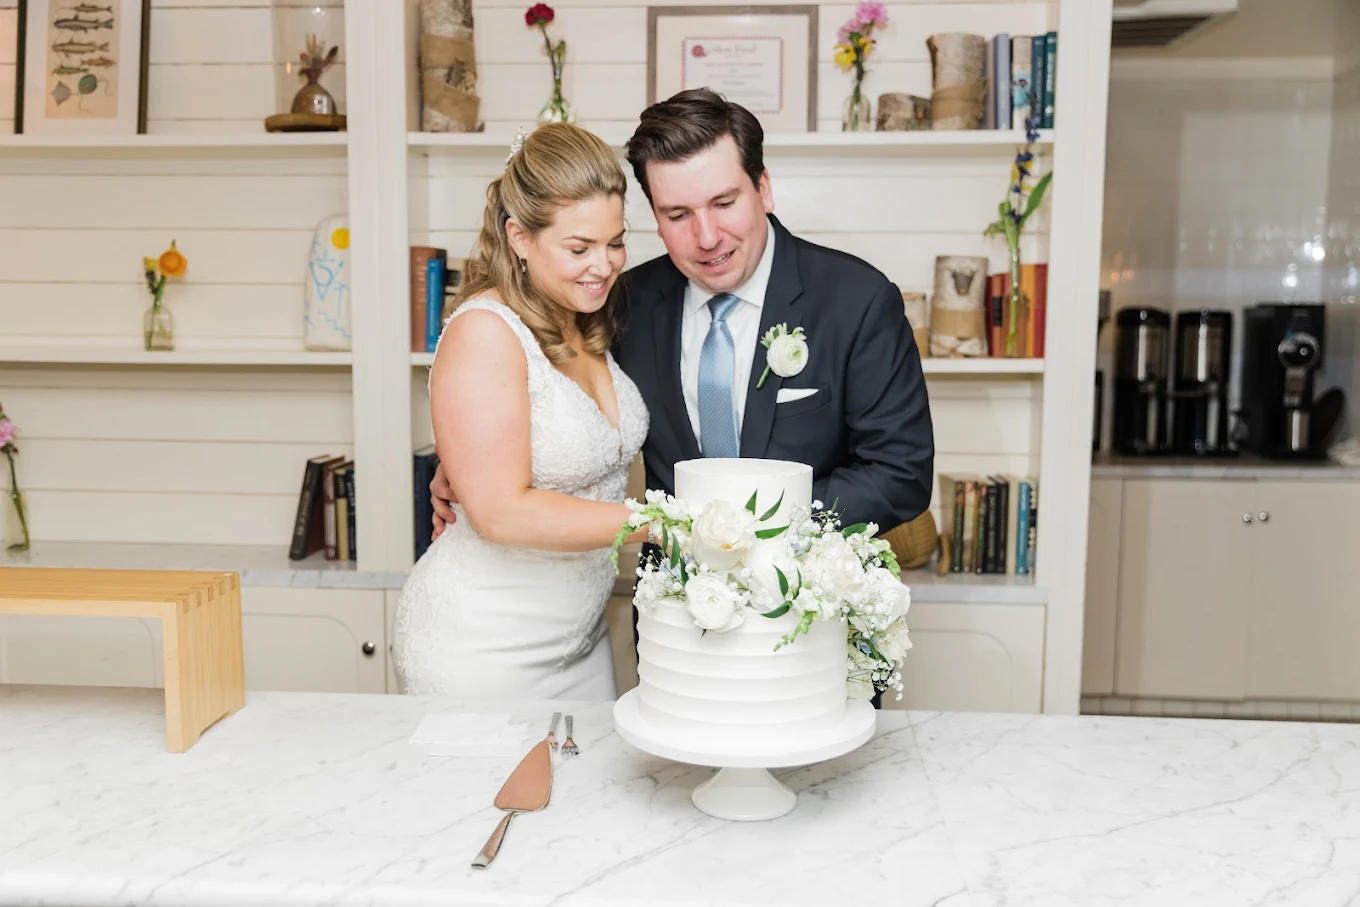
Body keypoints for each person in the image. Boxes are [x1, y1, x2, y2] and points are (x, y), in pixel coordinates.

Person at [429, 90, 935, 698]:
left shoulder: (856, 300)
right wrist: (467, 466)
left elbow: (901, 473)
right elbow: (529, 393)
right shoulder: (623, 302)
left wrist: (752, 529)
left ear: (763, 188)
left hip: (813, 630)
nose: (707, 236)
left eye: (724, 202)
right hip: (672, 633)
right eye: (677, 214)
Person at [391, 122, 650, 701]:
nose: (604, 266)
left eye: (615, 242)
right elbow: (500, 513)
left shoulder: (585, 317)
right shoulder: (485, 331)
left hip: (580, 641)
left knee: (586, 763)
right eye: (579, 248)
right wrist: (662, 523)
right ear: (519, 237)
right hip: (482, 648)